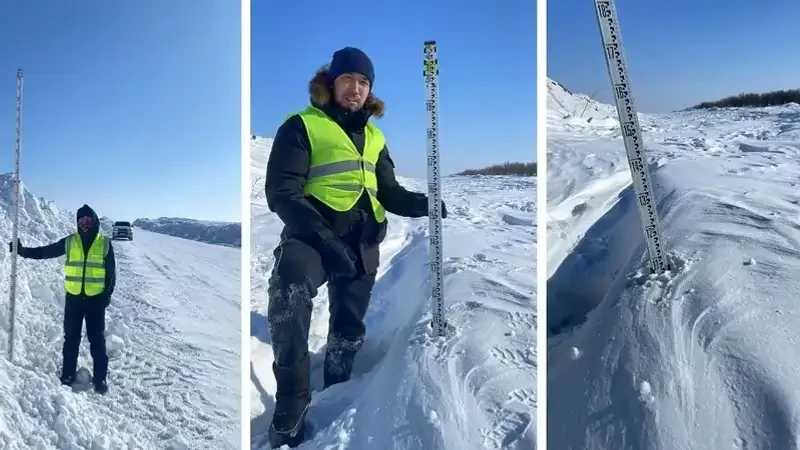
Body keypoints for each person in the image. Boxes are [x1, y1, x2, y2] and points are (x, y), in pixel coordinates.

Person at [264, 46, 448, 447]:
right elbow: (282, 192)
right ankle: (291, 400)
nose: (355, 88)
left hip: (363, 241)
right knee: (289, 288)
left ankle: (337, 382)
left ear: (370, 91)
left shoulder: (376, 136)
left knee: (348, 325)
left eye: (364, 82)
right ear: (331, 82)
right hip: (310, 236)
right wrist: (325, 240)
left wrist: (426, 205)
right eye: (348, 79)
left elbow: (390, 192)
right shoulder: (302, 125)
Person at [9, 204, 116, 394]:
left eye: (87, 220)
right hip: (74, 300)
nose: (84, 223)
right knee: (71, 339)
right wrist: (23, 251)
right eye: (80, 220)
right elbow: (46, 252)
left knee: (97, 340)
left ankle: (100, 379)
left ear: (94, 221)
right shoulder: (70, 241)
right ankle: (67, 375)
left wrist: (105, 298)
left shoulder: (105, 243)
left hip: (95, 302)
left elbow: (111, 275)